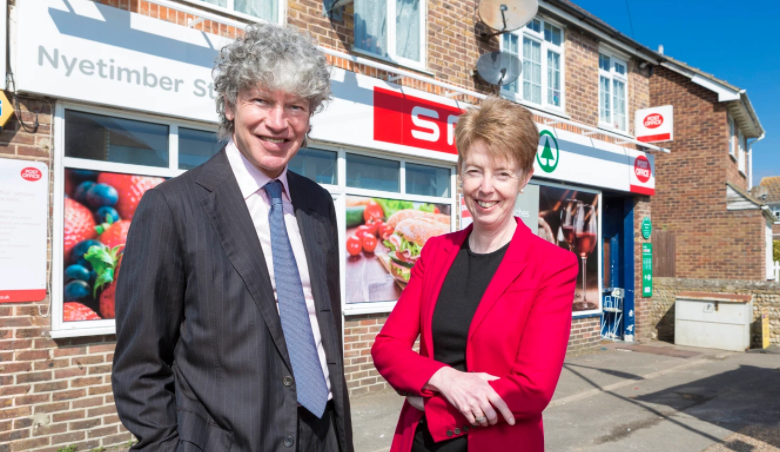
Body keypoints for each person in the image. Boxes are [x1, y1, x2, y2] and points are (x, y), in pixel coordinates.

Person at [112, 23, 353, 452]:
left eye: (295, 106)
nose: (277, 123)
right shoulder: (171, 208)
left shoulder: (318, 204)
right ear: (229, 105)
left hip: (324, 435)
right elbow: (140, 366)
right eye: (261, 100)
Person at [372, 96, 578, 452]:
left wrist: (428, 401)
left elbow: (532, 389)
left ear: (525, 178)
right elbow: (388, 348)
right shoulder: (436, 252)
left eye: (502, 173)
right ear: (460, 172)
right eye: (474, 170)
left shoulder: (552, 265)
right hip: (420, 444)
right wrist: (446, 378)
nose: (485, 188)